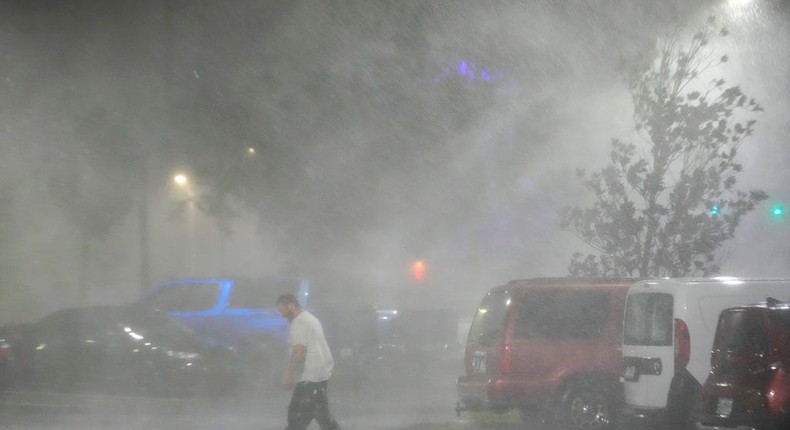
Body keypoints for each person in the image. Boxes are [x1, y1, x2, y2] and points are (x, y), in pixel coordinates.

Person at [276, 294, 341, 430]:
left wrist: (289, 374)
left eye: (282, 310)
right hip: (319, 375)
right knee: (321, 416)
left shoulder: (299, 322)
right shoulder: (310, 318)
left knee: (296, 415)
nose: (281, 315)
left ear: (291, 306)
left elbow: (299, 351)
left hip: (310, 378)